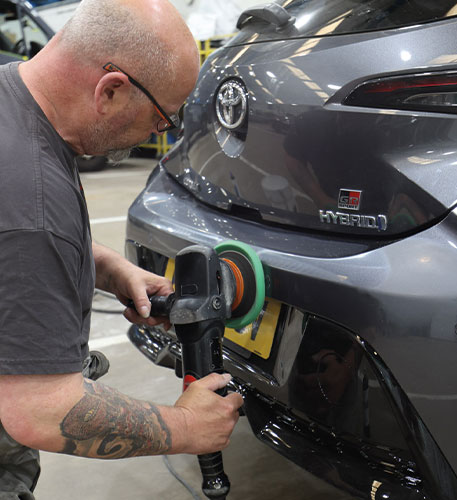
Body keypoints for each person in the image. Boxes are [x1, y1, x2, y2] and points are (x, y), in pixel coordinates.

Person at [0, 0, 244, 498]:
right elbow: (40, 411)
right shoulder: (35, 201)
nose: (160, 132)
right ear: (111, 91)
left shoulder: (14, 94)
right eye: (163, 118)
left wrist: (110, 268)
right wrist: (187, 427)